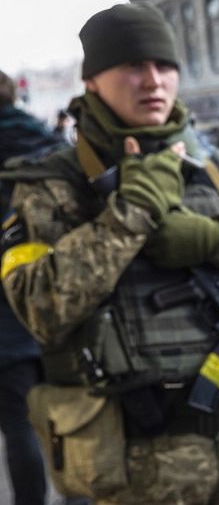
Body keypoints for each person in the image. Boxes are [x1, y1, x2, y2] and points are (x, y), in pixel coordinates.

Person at [0, 3, 219, 504]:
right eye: (132, 67)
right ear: (93, 81)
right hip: (130, 464)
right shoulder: (52, 186)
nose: (153, 81)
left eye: (164, 66)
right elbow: (42, 305)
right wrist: (132, 211)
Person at [0, 69, 69, 505]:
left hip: (6, 314)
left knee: (19, 422)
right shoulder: (51, 147)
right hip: (62, 304)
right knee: (71, 416)